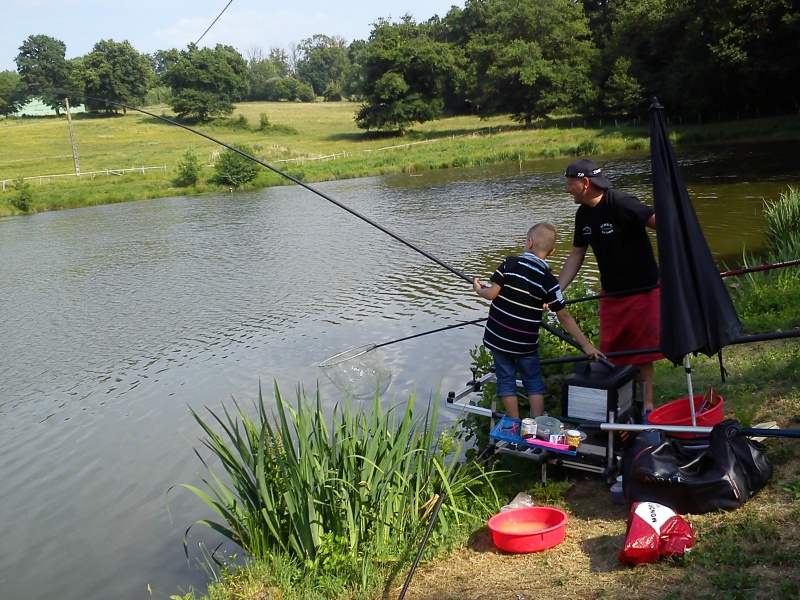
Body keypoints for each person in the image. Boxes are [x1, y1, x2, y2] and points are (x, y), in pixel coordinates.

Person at [558, 158, 664, 416]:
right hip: (612, 294)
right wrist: (556, 290)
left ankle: (648, 404)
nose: (567, 189)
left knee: (643, 352)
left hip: (644, 290)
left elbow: (662, 224)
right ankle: (619, 403)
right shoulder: (583, 214)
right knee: (612, 352)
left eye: (570, 184)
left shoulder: (621, 202)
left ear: (585, 183)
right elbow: (576, 256)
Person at [474, 222, 604, 420]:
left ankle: (515, 423)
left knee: (506, 380)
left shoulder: (509, 263)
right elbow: (564, 316)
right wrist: (587, 346)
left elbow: (491, 294)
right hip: (526, 343)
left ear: (529, 242)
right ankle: (535, 424)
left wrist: (478, 288)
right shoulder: (549, 281)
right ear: (551, 252)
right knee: (533, 380)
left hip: (499, 339)